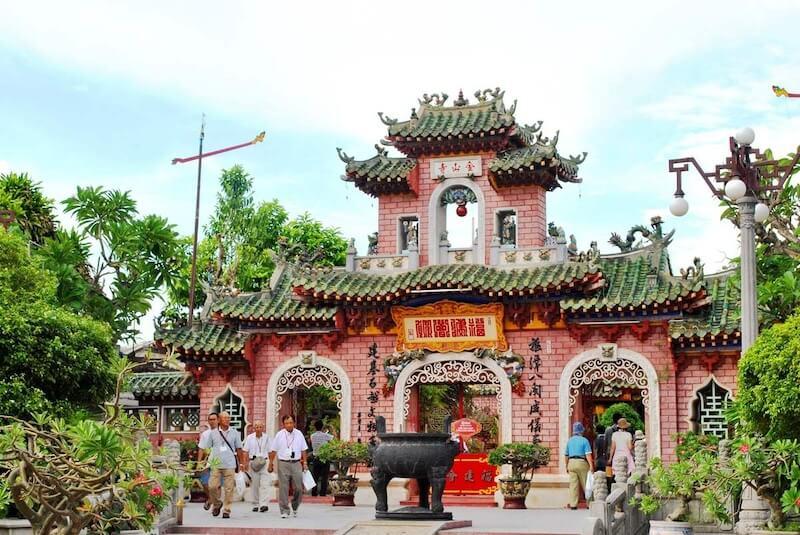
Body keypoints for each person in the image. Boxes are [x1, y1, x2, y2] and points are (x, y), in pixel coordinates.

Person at [269, 415, 308, 518]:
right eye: (287, 423)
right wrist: (270, 463)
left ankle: (295, 505)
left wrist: (305, 463)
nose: (289, 425)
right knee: (283, 488)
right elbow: (273, 450)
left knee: (299, 487)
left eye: (291, 423)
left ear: (294, 423)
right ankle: (284, 510)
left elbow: (304, 449)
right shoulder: (279, 435)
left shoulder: (299, 434)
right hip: (283, 463)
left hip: (296, 463)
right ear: (283, 424)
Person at [206, 411, 244, 519]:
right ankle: (217, 504)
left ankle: (227, 509)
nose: (227, 420)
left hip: (230, 464)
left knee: (229, 488)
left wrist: (241, 463)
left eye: (228, 418)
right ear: (219, 420)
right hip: (216, 464)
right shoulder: (213, 433)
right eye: (224, 418)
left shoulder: (235, 432)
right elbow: (208, 448)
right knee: (212, 486)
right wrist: (207, 461)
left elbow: (239, 448)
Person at [564, 421, 594, 510]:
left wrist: (566, 466)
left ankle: (573, 504)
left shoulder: (570, 441)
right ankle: (590, 504)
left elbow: (566, 455)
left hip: (571, 463)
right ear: (582, 431)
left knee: (573, 485)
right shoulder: (584, 440)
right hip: (581, 462)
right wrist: (591, 466)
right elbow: (588, 454)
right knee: (586, 484)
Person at [243, 421, 271, 513]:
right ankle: (255, 504)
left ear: (263, 428)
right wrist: (245, 463)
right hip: (253, 463)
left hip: (264, 462)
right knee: (254, 484)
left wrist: (271, 463)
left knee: (265, 484)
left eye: (260, 427)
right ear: (254, 428)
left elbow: (271, 451)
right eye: (256, 427)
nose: (258, 429)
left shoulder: (267, 437)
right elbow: (245, 451)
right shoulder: (250, 438)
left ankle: (264, 504)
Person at [196, 412, 218, 511]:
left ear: (218, 420)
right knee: (205, 483)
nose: (212, 421)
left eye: (214, 419)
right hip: (207, 461)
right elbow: (201, 448)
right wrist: (199, 462)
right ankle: (210, 499)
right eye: (210, 419)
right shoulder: (205, 434)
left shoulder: (222, 433)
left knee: (217, 485)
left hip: (218, 462)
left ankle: (215, 506)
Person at [309, 420, 333, 497]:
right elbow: (334, 439)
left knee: (315, 477)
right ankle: (323, 493)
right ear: (322, 427)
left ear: (315, 427)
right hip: (325, 458)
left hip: (316, 458)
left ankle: (314, 492)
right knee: (324, 478)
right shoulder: (326, 436)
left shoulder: (312, 436)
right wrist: (331, 429)